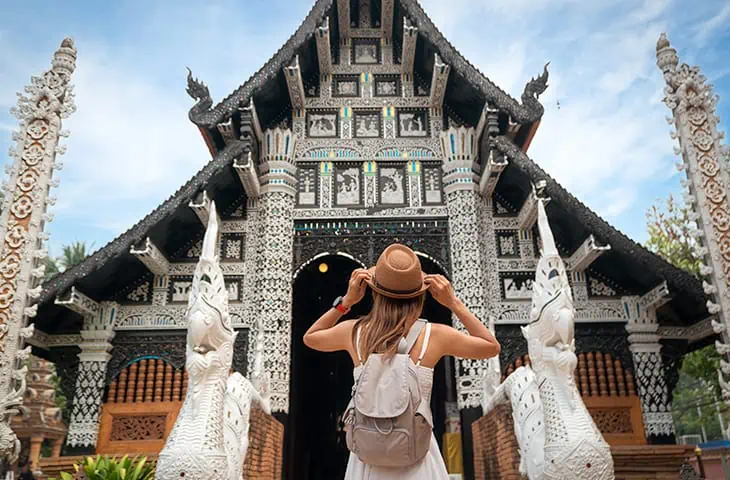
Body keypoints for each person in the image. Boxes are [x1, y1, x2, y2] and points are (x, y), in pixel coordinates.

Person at [303, 244, 501, 479]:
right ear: (419, 296)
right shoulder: (434, 336)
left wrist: (347, 301)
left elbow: (311, 337)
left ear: (375, 293)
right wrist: (453, 302)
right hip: (417, 455)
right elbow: (491, 346)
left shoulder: (354, 333)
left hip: (367, 458)